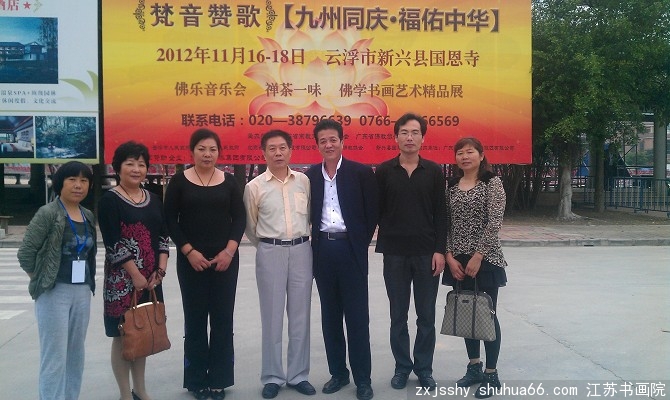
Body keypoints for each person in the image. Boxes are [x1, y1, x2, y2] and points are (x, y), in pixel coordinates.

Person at [164, 129, 246, 400]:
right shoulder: (179, 182)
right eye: (201, 149)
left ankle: (219, 380)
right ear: (192, 152)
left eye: (212, 149)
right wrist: (188, 251)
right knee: (195, 320)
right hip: (192, 263)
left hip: (225, 262)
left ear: (218, 152)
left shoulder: (230, 182)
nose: (207, 154)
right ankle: (197, 381)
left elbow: (239, 219)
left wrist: (229, 252)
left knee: (222, 320)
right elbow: (170, 220)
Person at [305, 119, 378, 400]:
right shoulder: (310, 176)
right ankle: (338, 373)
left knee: (357, 318)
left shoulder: (361, 173)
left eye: (333, 139)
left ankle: (363, 379)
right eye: (323, 141)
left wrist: (358, 242)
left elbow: (372, 212)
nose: (328, 145)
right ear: (317, 145)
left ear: (342, 141)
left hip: (351, 250)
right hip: (323, 250)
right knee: (330, 316)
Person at [375, 112, 447, 392]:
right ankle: (402, 367)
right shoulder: (384, 171)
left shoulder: (434, 171)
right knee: (398, 316)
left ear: (422, 138)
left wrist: (439, 250)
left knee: (426, 316)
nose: (409, 137)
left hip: (426, 254)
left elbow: (441, 214)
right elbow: (376, 210)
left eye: (415, 132)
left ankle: (424, 369)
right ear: (396, 137)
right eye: (404, 132)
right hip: (394, 254)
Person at [243, 130, 315, 399]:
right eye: (271, 148)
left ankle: (298, 375)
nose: (278, 153)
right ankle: (272, 376)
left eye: (282, 147)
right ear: (263, 153)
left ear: (291, 150)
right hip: (270, 250)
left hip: (301, 250)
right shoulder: (254, 187)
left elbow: (309, 216)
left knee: (300, 316)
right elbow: (251, 225)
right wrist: (268, 245)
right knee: (271, 317)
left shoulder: (303, 181)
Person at [18, 161, 96, 400]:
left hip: (82, 291)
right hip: (54, 292)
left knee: (75, 353)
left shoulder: (87, 215)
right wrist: (41, 280)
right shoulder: (48, 213)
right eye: (72, 179)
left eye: (84, 180)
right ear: (60, 183)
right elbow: (26, 253)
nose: (78, 185)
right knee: (55, 356)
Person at [99, 141, 170, 400]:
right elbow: (113, 243)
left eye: (141, 164)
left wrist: (159, 272)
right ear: (118, 168)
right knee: (123, 336)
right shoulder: (109, 200)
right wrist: (136, 275)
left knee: (143, 333)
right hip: (122, 282)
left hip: (151, 280)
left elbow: (163, 237)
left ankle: (140, 390)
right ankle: (124, 394)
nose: (136, 169)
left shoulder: (154, 199)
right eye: (130, 163)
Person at [442, 137, 507, 399]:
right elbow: (445, 223)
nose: (464, 157)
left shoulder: (492, 183)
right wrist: (449, 256)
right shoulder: (451, 186)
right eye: (460, 153)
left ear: (481, 155)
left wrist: (478, 255)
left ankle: (491, 374)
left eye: (470, 152)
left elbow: (495, 221)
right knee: (465, 313)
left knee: (486, 314)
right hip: (458, 261)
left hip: (486, 260)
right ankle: (474, 367)